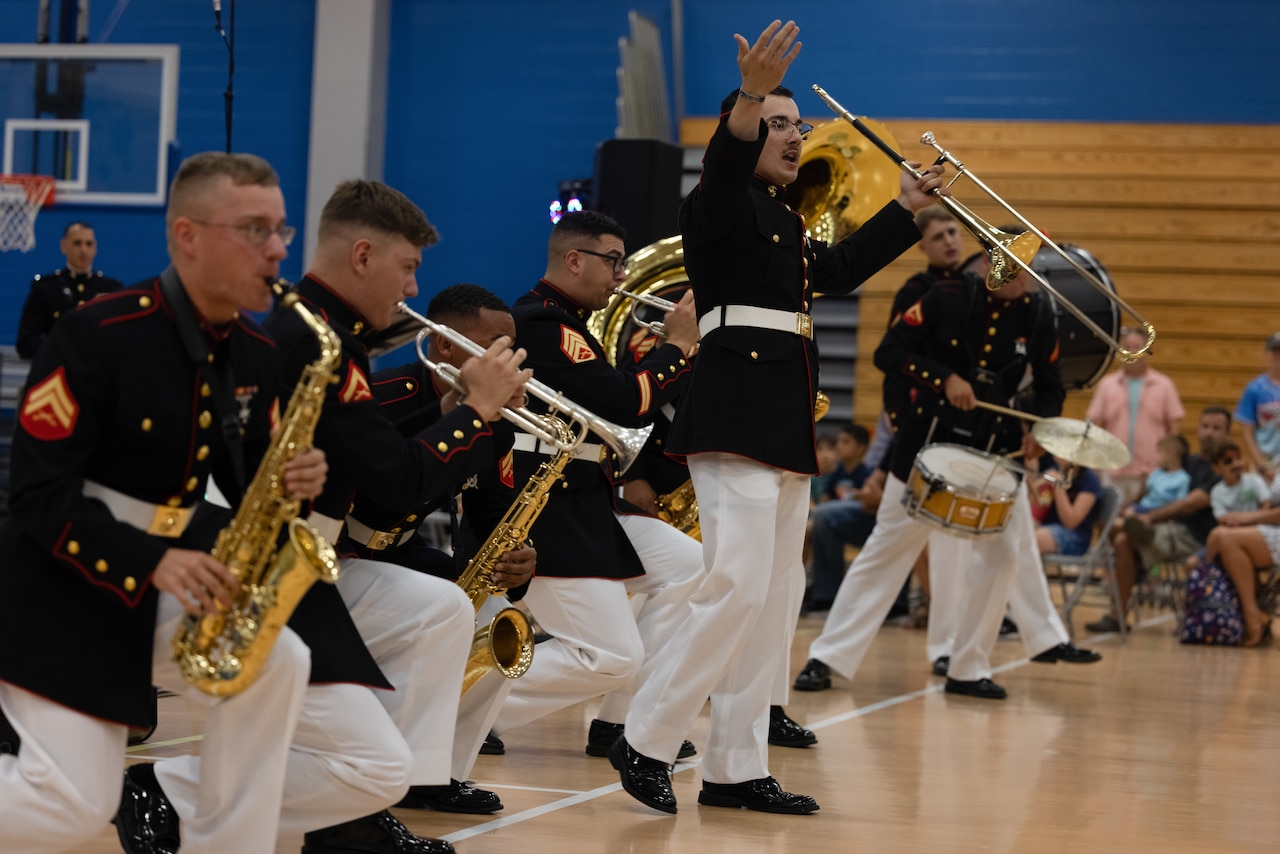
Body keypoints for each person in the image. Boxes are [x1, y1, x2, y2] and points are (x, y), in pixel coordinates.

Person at [611, 19, 944, 816]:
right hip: (733, 416)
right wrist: (754, 92)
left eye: (799, 126)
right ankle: (646, 737)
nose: (796, 138)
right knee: (732, 585)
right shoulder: (719, 205)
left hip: (782, 423)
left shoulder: (786, 221)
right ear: (748, 126)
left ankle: (733, 766)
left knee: (771, 600)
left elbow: (835, 270)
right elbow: (724, 167)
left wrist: (904, 210)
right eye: (781, 125)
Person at [0, 152, 328, 853]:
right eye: (254, 229)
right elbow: (36, 495)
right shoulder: (96, 334)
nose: (276, 249)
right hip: (59, 586)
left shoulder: (257, 351)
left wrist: (293, 484)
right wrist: (154, 561)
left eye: (281, 230)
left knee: (280, 659)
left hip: (164, 579)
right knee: (72, 809)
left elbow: (249, 497)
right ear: (188, 235)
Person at [479, 209, 706, 779]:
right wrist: (675, 348)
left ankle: (625, 722)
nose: (620, 274)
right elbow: (625, 402)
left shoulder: (570, 321)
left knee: (692, 568)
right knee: (608, 655)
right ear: (574, 260)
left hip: (587, 496)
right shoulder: (540, 322)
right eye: (612, 260)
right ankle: (469, 702)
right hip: (549, 504)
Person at [795, 231, 1066, 703]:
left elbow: (1051, 388)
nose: (1026, 279)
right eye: (1017, 268)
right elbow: (889, 353)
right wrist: (945, 379)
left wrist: (1037, 428)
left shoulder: (1038, 312)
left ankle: (968, 664)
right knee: (887, 550)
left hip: (994, 452)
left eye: (1028, 268)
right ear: (989, 263)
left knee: (1003, 557)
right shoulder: (944, 297)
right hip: (926, 444)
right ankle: (827, 657)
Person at [350, 282, 535, 813]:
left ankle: (441, 773)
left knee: (501, 618)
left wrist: (520, 559)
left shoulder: (495, 423)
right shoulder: (383, 399)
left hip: (403, 551)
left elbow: (492, 513)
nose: (509, 359)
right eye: (495, 345)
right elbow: (390, 488)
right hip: (346, 552)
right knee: (446, 606)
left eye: (512, 347)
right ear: (445, 346)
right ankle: (406, 774)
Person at [1086, 407, 1227, 633]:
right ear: (1198, 428)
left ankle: (1136, 536)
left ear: (1226, 433)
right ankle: (1118, 616)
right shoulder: (1186, 461)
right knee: (1122, 540)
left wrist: (1149, 517)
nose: (1209, 433)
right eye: (1205, 426)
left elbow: (1191, 503)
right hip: (1165, 529)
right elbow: (1155, 487)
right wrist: (1132, 503)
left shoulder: (1220, 469)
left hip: (1195, 538)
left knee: (1123, 536)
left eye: (1216, 428)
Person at [1084, 326, 1185, 503]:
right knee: (1109, 520)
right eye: (1127, 346)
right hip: (1113, 469)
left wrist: (1168, 464)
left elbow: (1174, 429)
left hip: (1151, 471)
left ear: (1147, 350)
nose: (1132, 351)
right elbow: (1094, 425)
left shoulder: (1164, 385)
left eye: (1137, 346)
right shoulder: (1107, 385)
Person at [14, 221, 124, 360]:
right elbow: (25, 343)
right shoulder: (45, 288)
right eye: (77, 243)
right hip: (56, 371)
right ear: (64, 246)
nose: (83, 250)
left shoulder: (111, 289)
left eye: (88, 244)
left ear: (95, 248)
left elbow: (122, 338)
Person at [804, 422, 875, 613]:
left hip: (864, 523)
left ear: (860, 448)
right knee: (819, 523)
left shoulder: (867, 474)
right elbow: (826, 500)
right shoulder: (837, 474)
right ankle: (822, 592)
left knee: (822, 519)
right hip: (838, 524)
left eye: (846, 442)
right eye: (839, 442)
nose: (839, 446)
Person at [1233, 332, 1280, 482]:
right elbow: (1247, 430)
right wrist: (1261, 466)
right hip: (1266, 461)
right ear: (1268, 353)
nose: (1278, 355)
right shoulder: (1255, 389)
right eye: (1275, 351)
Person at [1127, 434, 1192, 515]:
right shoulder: (1156, 473)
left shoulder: (1183, 478)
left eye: (1158, 453)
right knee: (1128, 509)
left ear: (1169, 455)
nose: (1156, 457)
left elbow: (1180, 502)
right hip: (1145, 507)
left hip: (1161, 512)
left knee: (1129, 514)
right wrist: (1143, 481)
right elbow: (1145, 492)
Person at [1209, 439, 1272, 518]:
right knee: (1219, 530)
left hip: (1257, 524)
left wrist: (1250, 519)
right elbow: (1222, 517)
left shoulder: (1254, 480)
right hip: (1234, 528)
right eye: (1228, 461)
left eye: (1238, 458)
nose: (1235, 464)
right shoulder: (1216, 492)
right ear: (1216, 468)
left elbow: (1267, 503)